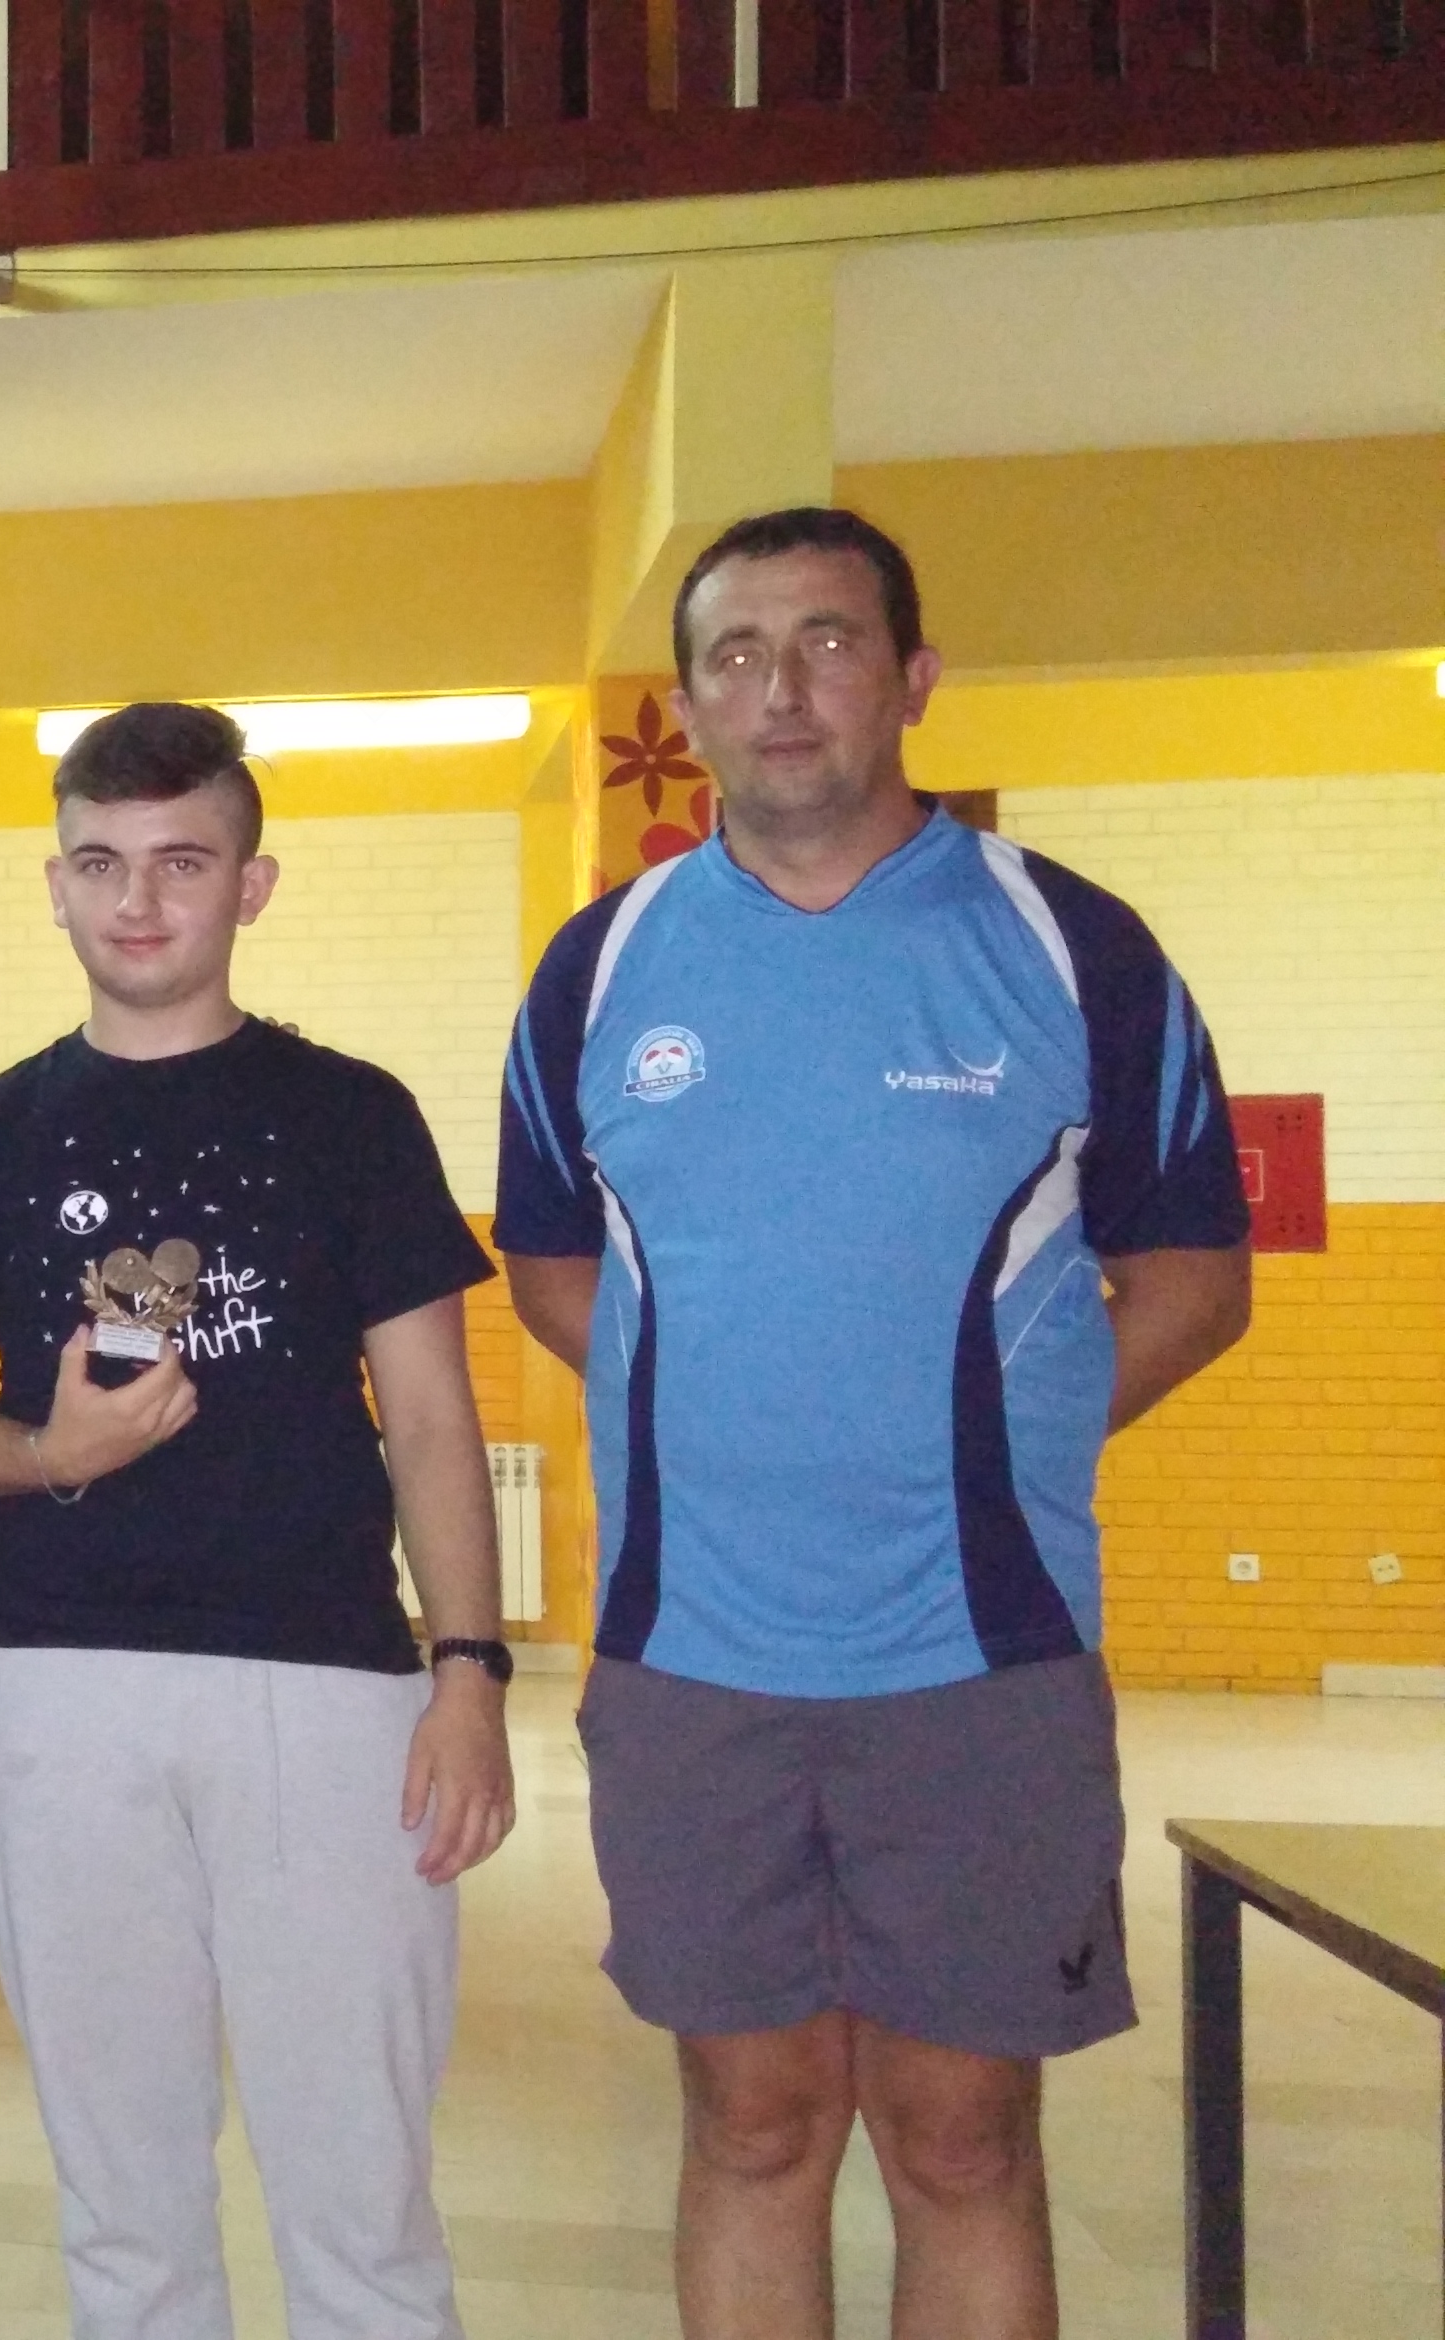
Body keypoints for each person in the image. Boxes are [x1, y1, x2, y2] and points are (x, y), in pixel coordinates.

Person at [496, 508, 1252, 2340]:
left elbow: (1195, 1278)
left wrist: (1007, 1441)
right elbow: (550, 1267)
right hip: (692, 1661)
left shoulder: (1071, 947)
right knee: (752, 2125)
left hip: (982, 1663)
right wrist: (718, 1428)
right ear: (688, 702)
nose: (782, 688)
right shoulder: (602, 966)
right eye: (737, 653)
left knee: (964, 2138)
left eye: (829, 642)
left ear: (914, 680)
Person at [0, 702, 517, 2340]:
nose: (139, 898)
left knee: (362, 2204)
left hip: (326, 1693)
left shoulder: (351, 1115)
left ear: (252, 883)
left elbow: (432, 1421)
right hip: (59, 1695)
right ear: (55, 886)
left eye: (181, 861)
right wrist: (51, 1451)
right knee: (125, 2209)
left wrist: (469, 1674)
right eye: (100, 862)